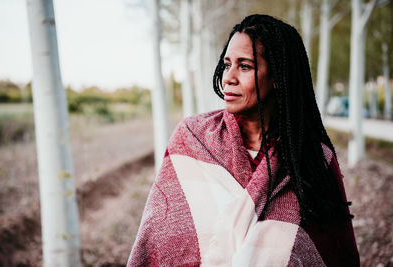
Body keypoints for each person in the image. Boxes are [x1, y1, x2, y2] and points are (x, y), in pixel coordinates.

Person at [128, 14, 359, 266]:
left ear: (278, 77)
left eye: (245, 66)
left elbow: (333, 250)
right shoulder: (192, 139)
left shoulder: (312, 159)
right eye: (227, 65)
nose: (229, 77)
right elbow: (160, 241)